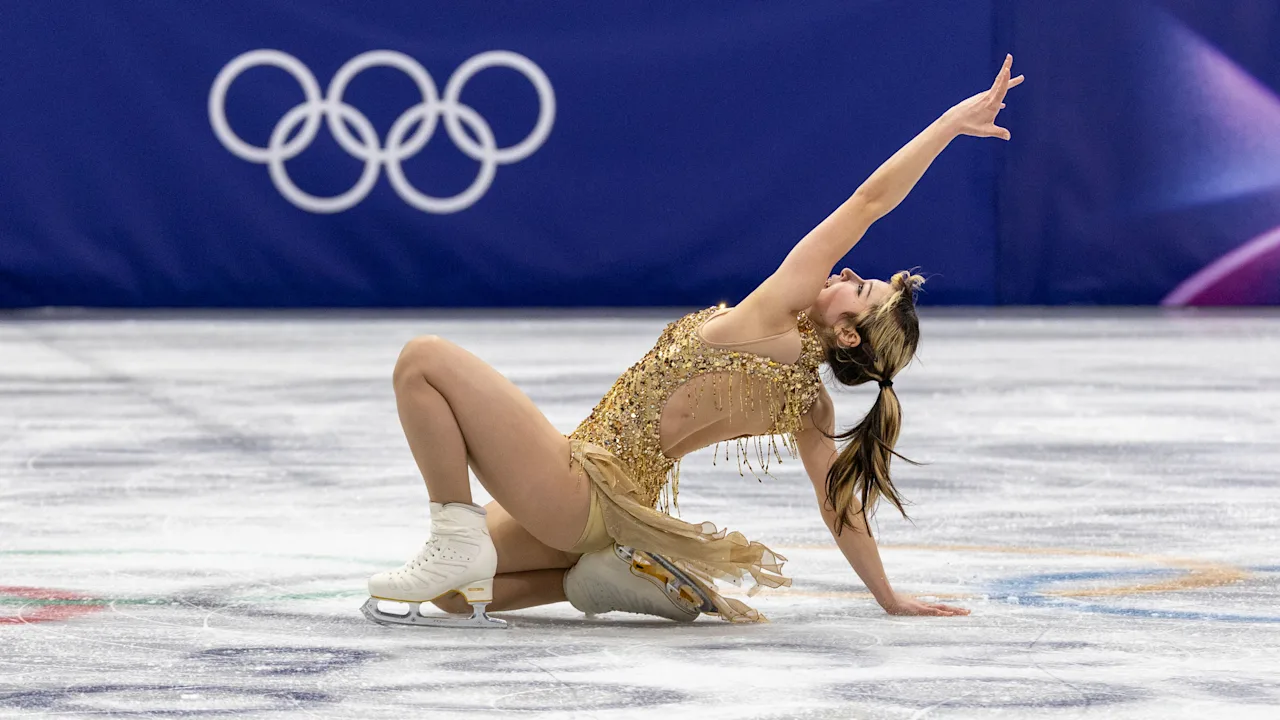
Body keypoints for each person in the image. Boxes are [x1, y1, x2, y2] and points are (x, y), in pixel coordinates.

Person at [360, 55, 1024, 628]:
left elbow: (869, 200)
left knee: (423, 361)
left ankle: (453, 533)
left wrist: (947, 125)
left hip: (578, 485)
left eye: (863, 288)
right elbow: (838, 507)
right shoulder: (811, 406)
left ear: (847, 330)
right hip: (613, 517)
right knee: (456, 598)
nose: (850, 272)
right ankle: (611, 576)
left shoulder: (778, 311)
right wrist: (888, 597)